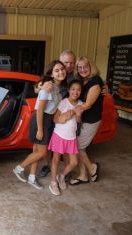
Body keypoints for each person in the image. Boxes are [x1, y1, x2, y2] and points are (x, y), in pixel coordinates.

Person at [13, 60, 66, 189]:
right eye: (57, 70)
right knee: (42, 153)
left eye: (62, 69)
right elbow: (40, 110)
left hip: (47, 121)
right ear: (52, 74)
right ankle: (19, 168)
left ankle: (32, 177)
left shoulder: (57, 88)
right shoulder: (48, 87)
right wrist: (40, 129)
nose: (61, 72)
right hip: (40, 120)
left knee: (36, 151)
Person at [38, 50, 77, 178]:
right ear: (61, 62)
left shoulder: (76, 77)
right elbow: (37, 87)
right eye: (66, 62)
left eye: (72, 62)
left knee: (66, 144)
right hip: (52, 116)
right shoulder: (56, 74)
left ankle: (66, 171)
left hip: (68, 117)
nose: (69, 65)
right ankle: (46, 165)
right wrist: (40, 87)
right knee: (49, 143)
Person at [69, 56, 103, 185]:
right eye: (80, 67)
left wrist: (71, 110)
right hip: (83, 119)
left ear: (91, 67)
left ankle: (92, 168)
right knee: (80, 147)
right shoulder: (83, 81)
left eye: (85, 67)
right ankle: (83, 175)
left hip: (91, 120)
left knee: (77, 147)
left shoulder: (95, 81)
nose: (82, 69)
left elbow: (88, 104)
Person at [48, 80, 83, 195]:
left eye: (78, 90)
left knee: (74, 162)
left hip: (71, 137)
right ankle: (53, 182)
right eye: (73, 89)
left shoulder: (81, 103)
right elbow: (55, 118)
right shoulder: (64, 102)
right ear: (69, 90)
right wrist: (64, 117)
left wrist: (77, 115)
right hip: (59, 135)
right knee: (56, 160)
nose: (75, 92)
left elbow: (78, 121)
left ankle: (61, 176)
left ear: (81, 92)